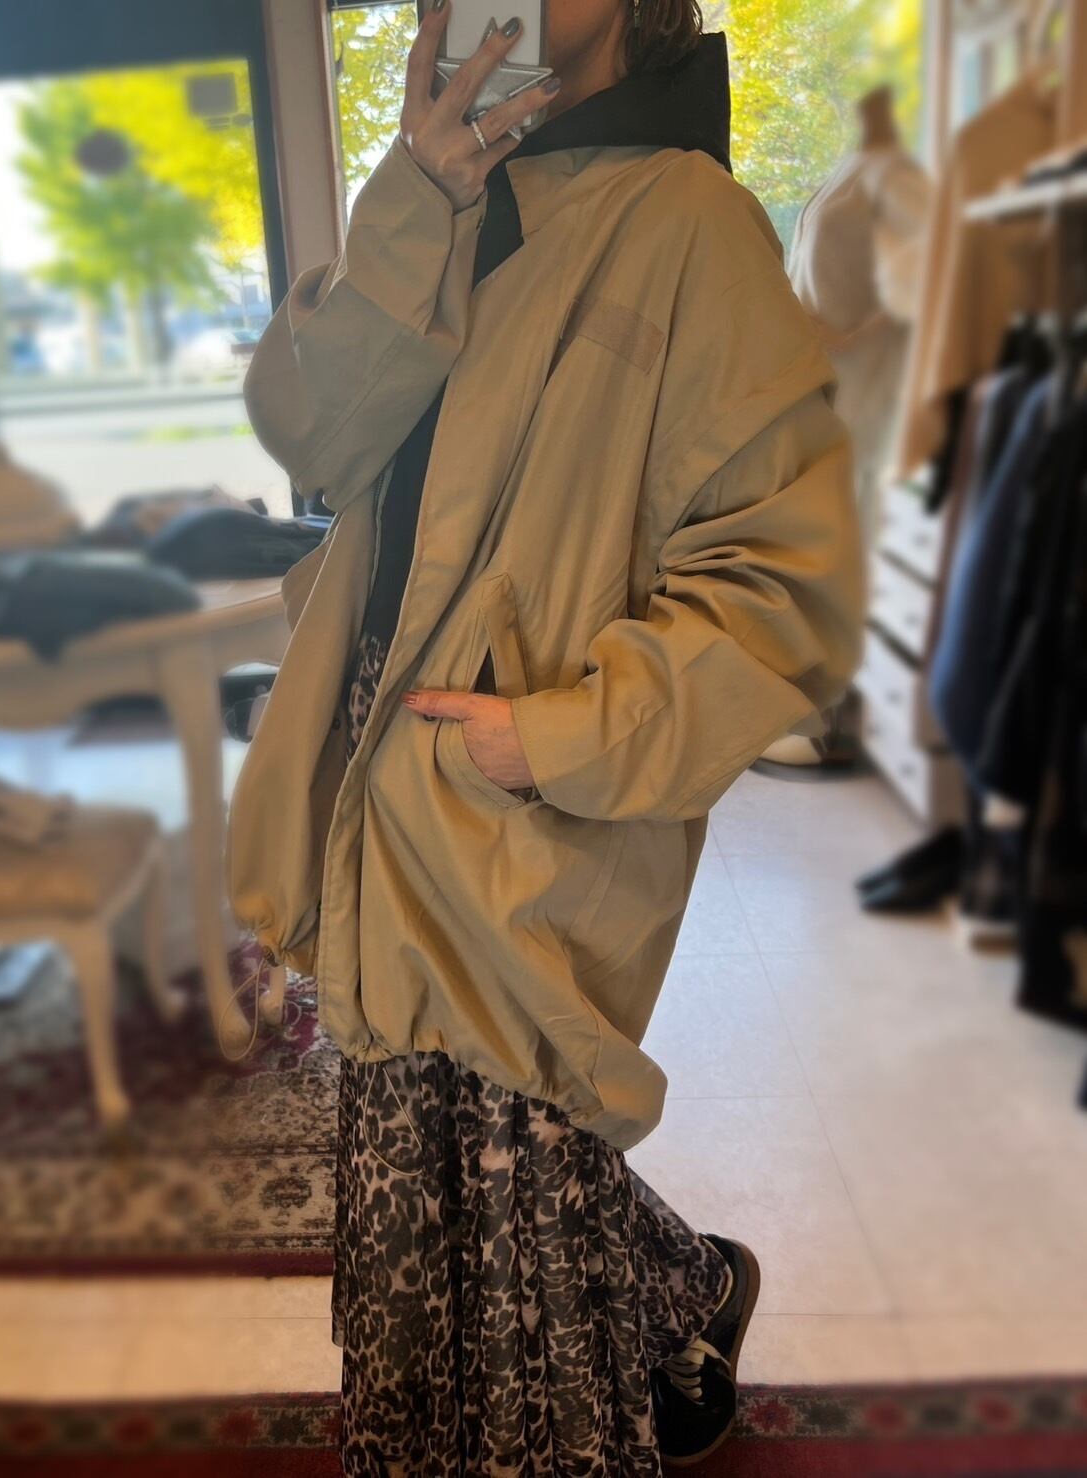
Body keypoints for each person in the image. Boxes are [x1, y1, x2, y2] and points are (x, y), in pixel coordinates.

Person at [227, 0, 863, 1471]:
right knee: (424, 1188)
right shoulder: (438, 196)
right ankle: (690, 1289)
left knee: (518, 1250)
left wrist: (557, 740)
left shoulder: (688, 223)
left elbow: (786, 585)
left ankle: (647, 1325)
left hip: (524, 793)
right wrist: (416, 199)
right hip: (374, 782)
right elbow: (314, 440)